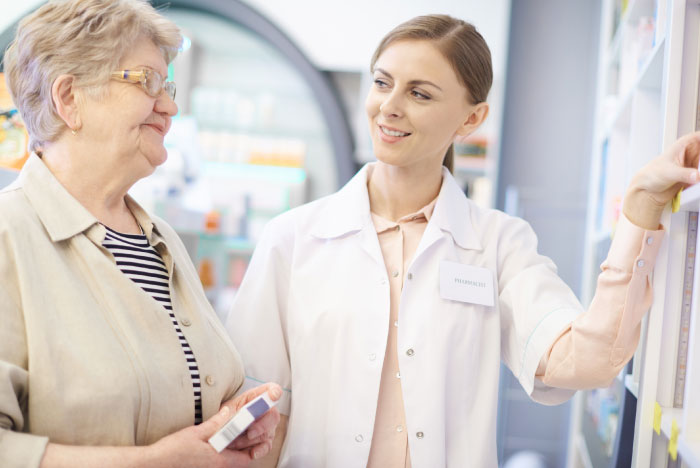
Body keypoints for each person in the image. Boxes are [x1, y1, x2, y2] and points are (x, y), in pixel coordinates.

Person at [226, 14, 700, 467]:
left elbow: (586, 362)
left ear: (471, 119)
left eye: (420, 93)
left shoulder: (497, 244)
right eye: (382, 81)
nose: (389, 105)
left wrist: (639, 209)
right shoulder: (292, 239)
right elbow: (258, 419)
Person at [0, 1, 281, 467]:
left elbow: (188, 387)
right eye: (148, 81)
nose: (170, 105)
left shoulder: (160, 239)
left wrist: (228, 418)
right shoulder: (9, 235)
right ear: (69, 98)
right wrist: (149, 463)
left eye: (167, 85)